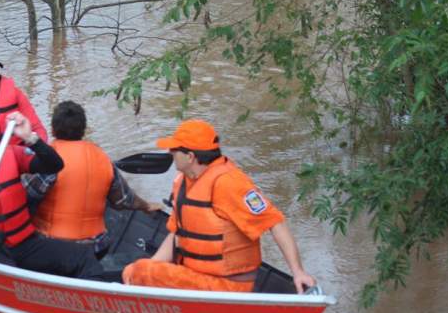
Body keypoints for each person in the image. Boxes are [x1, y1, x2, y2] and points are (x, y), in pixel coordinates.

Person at [122, 119, 316, 293]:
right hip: (196, 275)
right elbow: (177, 234)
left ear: (190, 157)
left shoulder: (229, 183)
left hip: (228, 286)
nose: (170, 152)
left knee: (136, 271)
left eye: (174, 149)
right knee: (138, 270)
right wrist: (152, 265)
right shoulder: (184, 181)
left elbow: (275, 223)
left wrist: (298, 272)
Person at [0, 112, 105, 280]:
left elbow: (55, 165)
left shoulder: (11, 154)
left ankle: (96, 302)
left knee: (82, 256)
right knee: (13, 276)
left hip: (22, 243)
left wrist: (31, 138)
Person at [27, 100, 163, 257]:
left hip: (54, 247)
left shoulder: (48, 159)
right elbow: (123, 201)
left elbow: (26, 195)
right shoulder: (102, 158)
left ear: (52, 129)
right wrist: (147, 206)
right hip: (96, 248)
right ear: (83, 130)